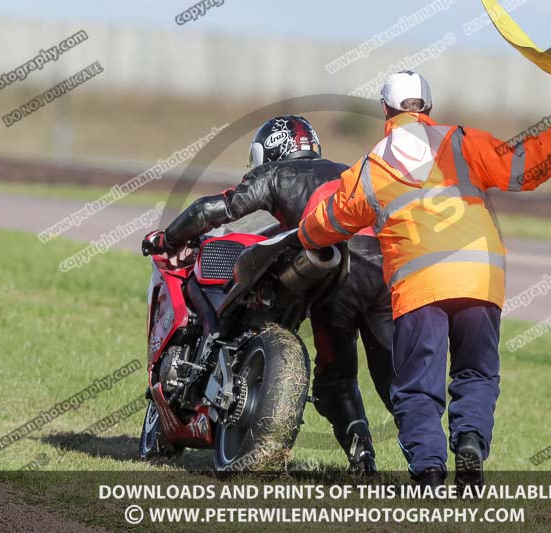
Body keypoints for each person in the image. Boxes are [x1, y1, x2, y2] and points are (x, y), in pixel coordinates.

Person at [297, 71, 551, 488]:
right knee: (475, 373)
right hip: (480, 276)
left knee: (418, 388)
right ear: (428, 109)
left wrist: (304, 234)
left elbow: (330, 219)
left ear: (386, 110)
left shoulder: (372, 165)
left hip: (420, 286)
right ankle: (470, 441)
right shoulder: (461, 140)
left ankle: (430, 472)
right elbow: (526, 166)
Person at [141, 116, 393, 474]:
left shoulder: (275, 174)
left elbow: (215, 209)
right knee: (395, 378)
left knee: (335, 379)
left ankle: (363, 458)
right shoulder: (346, 170)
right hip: (385, 271)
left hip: (338, 273)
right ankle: (428, 465)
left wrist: (169, 238)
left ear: (268, 151)